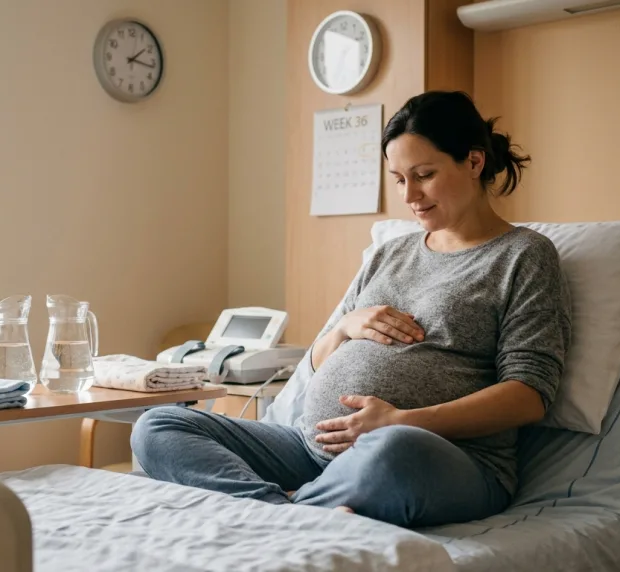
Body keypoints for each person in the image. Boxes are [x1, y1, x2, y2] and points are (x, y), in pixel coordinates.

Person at [130, 90, 572, 528]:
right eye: (399, 179)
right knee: (158, 425)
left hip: (439, 458)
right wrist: (344, 327)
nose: (409, 195)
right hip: (310, 448)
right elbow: (320, 363)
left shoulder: (522, 255)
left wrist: (400, 421)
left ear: (474, 162)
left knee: (394, 452)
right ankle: (287, 512)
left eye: (424, 174)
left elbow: (528, 395)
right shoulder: (389, 253)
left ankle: (285, 510)